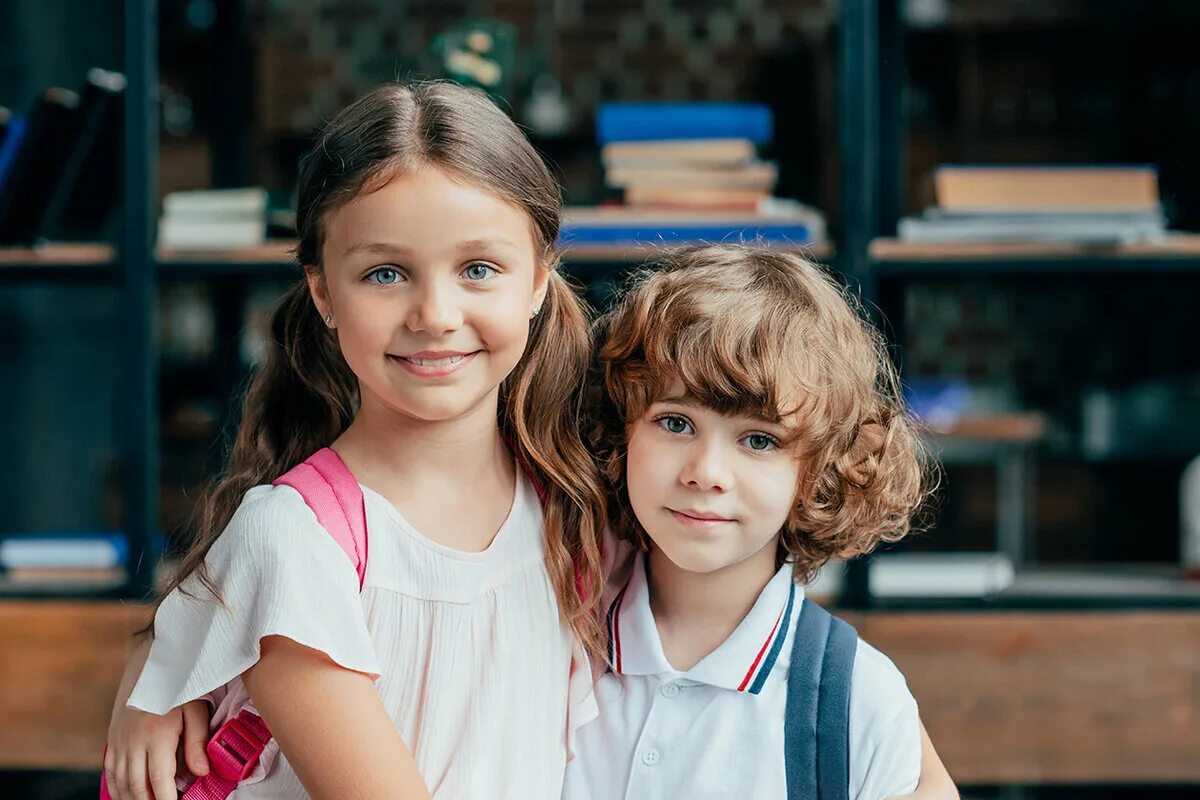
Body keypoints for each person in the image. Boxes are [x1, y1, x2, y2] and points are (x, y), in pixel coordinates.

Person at [103, 79, 606, 800]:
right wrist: (159, 662)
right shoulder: (292, 542)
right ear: (323, 293)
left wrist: (156, 655)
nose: (435, 314)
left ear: (538, 279)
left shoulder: (573, 503)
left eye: (478, 269)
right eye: (385, 273)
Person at [563, 244, 955, 799]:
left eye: (759, 440)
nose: (706, 473)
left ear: (820, 469)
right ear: (620, 431)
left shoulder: (857, 700)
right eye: (675, 423)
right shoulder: (556, 644)